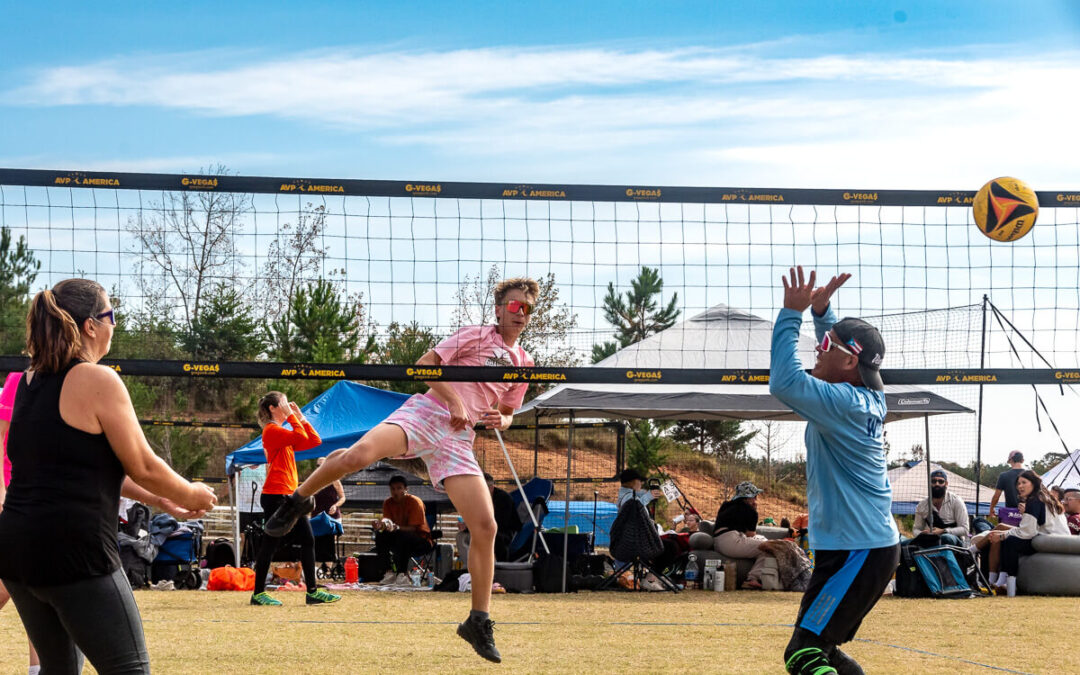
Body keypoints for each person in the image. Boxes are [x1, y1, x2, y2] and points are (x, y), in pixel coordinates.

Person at [264, 276, 539, 663]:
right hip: (428, 413)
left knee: (486, 526)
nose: (520, 313)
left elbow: (509, 412)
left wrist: (501, 420)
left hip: (459, 439)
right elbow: (425, 366)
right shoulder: (477, 335)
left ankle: (478, 620)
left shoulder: (524, 363)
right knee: (358, 456)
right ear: (498, 309)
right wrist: (453, 401)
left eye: (526, 308)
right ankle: (297, 500)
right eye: (514, 305)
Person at [0, 279, 218, 674]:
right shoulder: (97, 379)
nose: (115, 324)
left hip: (16, 552)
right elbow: (144, 465)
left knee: (58, 671)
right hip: (74, 551)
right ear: (90, 326)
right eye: (111, 315)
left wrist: (160, 500)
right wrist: (192, 493)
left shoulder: (30, 381)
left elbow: (80, 469)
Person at [769, 267, 899, 675]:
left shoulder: (843, 402)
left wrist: (792, 313)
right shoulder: (869, 395)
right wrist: (823, 313)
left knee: (803, 655)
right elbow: (845, 357)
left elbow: (783, 382)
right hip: (859, 546)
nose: (818, 348)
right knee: (820, 653)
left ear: (849, 363)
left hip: (857, 549)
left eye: (825, 344)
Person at [250, 391, 340, 606]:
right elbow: (300, 437)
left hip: (291, 495)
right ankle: (258, 594)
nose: (288, 405)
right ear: (273, 408)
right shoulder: (271, 430)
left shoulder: (282, 433)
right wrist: (292, 417)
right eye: (283, 402)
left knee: (308, 540)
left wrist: (301, 418)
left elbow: (314, 441)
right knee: (270, 544)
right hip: (275, 495)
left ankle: (312, 592)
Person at [0, 371, 41, 674]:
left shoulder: (75, 380)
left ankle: (38, 669)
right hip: (13, 499)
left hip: (44, 503)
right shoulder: (19, 380)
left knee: (41, 592)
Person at [983, 470, 1068, 596]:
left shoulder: (1035, 500)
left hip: (1051, 541)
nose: (1020, 486)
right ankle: (1001, 581)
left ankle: (1009, 588)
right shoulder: (1046, 497)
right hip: (1057, 539)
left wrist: (1002, 535)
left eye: (1024, 482)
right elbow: (1031, 527)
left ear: (1033, 483)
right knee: (1008, 538)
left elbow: (1027, 532)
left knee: (1010, 540)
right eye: (1018, 483)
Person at [374, 475, 433, 585]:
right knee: (380, 535)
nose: (396, 492)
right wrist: (381, 526)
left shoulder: (415, 502)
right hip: (398, 538)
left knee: (403, 535)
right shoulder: (387, 503)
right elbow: (387, 523)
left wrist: (397, 527)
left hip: (421, 540)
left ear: (406, 489)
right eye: (393, 489)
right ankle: (388, 572)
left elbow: (413, 528)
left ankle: (402, 573)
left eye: (399, 488)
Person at [712, 481, 770, 589]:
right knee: (768, 547)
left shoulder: (726, 505)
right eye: (755, 497)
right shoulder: (750, 511)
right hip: (731, 541)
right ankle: (752, 579)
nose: (756, 500)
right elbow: (751, 535)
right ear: (749, 498)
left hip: (719, 541)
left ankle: (753, 579)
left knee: (763, 540)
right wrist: (754, 510)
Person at [456, 472, 521, 566]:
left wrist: (471, 527)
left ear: (491, 488)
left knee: (489, 537)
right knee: (461, 536)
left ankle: (491, 570)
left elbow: (498, 523)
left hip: (503, 531)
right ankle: (469, 568)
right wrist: (465, 524)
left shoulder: (503, 499)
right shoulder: (477, 497)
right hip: (483, 529)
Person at [911, 469, 970, 547]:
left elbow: (965, 530)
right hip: (932, 539)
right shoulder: (922, 505)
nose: (937, 484)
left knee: (945, 538)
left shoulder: (956, 501)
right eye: (933, 481)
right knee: (904, 544)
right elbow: (916, 529)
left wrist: (943, 531)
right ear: (929, 483)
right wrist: (922, 533)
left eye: (941, 481)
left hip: (955, 541)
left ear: (946, 484)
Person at [989, 451, 1025, 523]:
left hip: (1010, 515)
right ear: (1022, 460)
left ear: (1011, 460)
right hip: (1027, 514)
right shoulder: (1030, 475)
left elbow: (996, 496)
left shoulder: (1004, 476)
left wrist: (991, 508)